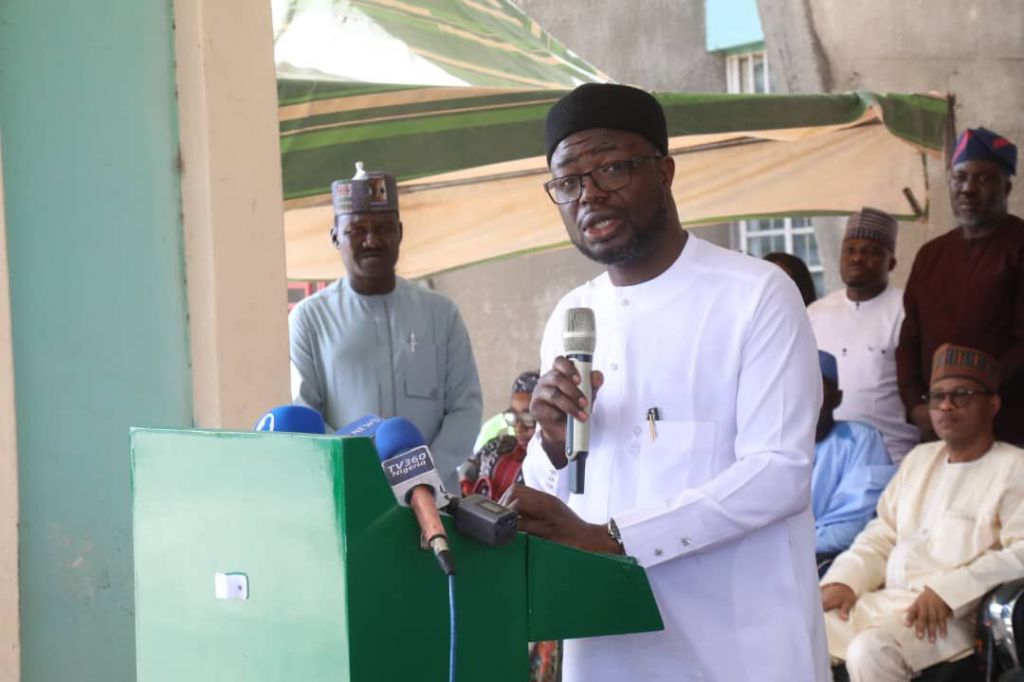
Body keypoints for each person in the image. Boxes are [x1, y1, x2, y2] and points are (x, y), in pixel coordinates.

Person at [502, 83, 830, 681]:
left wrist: (615, 538)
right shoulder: (572, 315)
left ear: (665, 170)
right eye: (568, 181)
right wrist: (550, 444)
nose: (589, 194)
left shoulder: (755, 295)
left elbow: (778, 473)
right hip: (609, 642)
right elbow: (561, 494)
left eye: (611, 167)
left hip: (737, 646)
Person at [821, 343, 1024, 682]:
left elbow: (1020, 552)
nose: (945, 405)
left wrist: (949, 591)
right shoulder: (919, 459)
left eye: (961, 395)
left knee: (870, 650)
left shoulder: (1015, 467)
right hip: (884, 601)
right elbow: (882, 534)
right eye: (937, 396)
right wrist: (845, 580)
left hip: (954, 616)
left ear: (992, 404)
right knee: (799, 629)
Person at [288, 162, 483, 489]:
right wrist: (364, 476)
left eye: (384, 229)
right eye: (356, 230)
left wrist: (420, 474)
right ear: (335, 237)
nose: (372, 241)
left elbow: (466, 408)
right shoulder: (309, 319)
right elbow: (305, 415)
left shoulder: (440, 313)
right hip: (351, 491)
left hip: (435, 494)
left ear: (400, 233)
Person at [897, 127, 1024, 446]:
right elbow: (909, 339)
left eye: (983, 179)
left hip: (1008, 425)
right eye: (960, 178)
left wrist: (971, 398)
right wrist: (916, 405)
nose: (968, 189)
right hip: (938, 425)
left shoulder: (1019, 246)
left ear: (1006, 188)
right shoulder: (930, 255)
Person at [809, 208, 919, 464]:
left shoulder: (908, 310)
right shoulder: (814, 313)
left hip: (891, 455)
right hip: (826, 458)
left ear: (891, 263)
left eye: (870, 251)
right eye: (850, 250)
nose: (857, 258)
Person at [812, 351, 895, 569]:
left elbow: (854, 525)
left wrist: (785, 546)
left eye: (820, 388)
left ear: (837, 398)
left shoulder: (862, 440)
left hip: (828, 559)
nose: (809, 396)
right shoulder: (771, 443)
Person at [460, 370, 539, 501]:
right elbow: (464, 476)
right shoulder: (497, 445)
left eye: (528, 417)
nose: (519, 428)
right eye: (513, 416)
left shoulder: (556, 468)